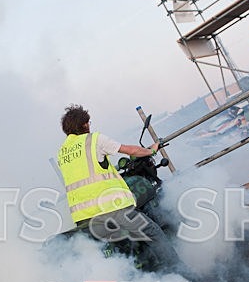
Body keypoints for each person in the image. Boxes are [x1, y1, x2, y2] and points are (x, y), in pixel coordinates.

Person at [57, 104, 180, 269]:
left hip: (83, 218)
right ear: (84, 124)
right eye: (88, 122)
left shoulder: (62, 153)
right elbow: (130, 150)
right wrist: (152, 150)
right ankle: (181, 271)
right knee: (152, 232)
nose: (89, 125)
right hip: (109, 209)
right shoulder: (93, 140)